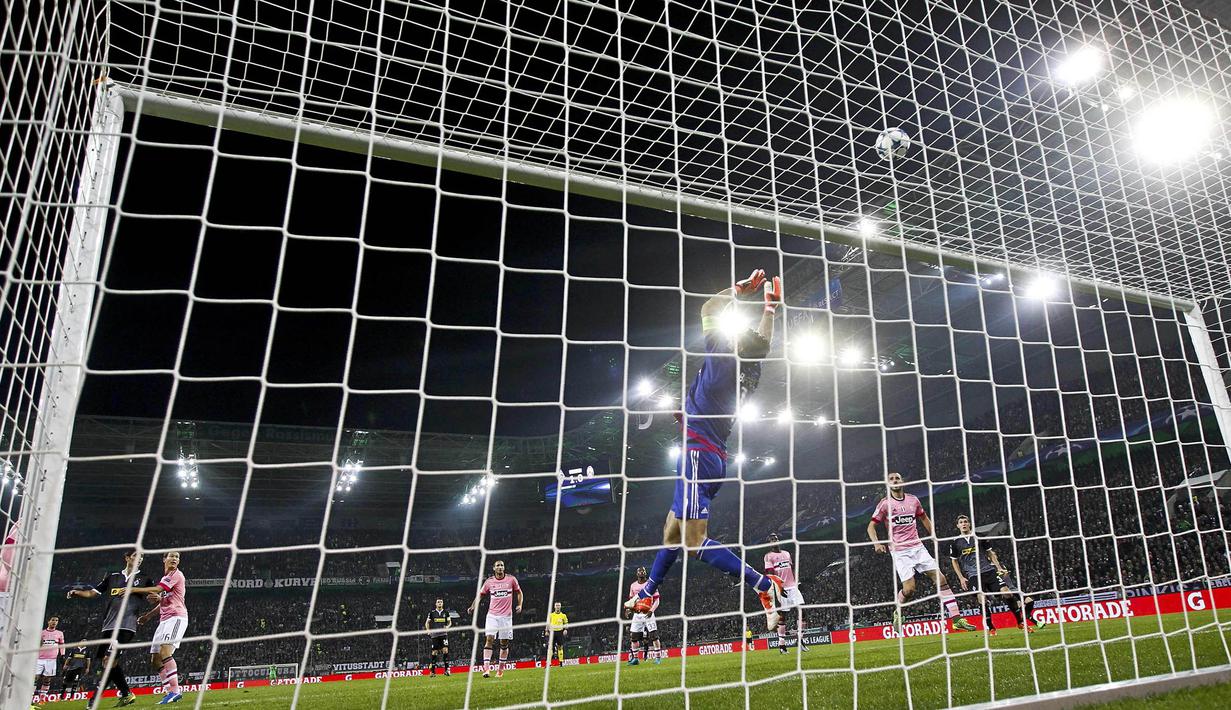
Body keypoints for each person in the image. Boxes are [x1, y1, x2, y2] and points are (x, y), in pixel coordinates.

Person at [626, 270, 787, 627]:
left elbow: (709, 307)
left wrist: (741, 289)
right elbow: (762, 343)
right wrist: (769, 309)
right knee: (672, 529)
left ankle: (763, 585)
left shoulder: (722, 361)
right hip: (710, 455)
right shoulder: (750, 371)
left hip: (698, 456)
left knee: (693, 541)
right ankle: (649, 590)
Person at [868, 472, 976, 634]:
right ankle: (898, 611)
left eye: (897, 478)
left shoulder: (913, 500)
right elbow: (871, 526)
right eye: (891, 479)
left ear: (902, 481)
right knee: (910, 589)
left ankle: (956, 619)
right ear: (888, 484)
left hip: (917, 547)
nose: (895, 480)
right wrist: (876, 543)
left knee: (941, 579)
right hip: (899, 551)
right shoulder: (885, 504)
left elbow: (924, 518)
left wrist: (933, 535)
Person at [66, 548, 154, 707]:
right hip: (108, 625)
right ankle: (126, 694)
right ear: (127, 558)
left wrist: (154, 598)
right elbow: (92, 593)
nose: (140, 559)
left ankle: (94, 699)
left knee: (109, 660)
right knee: (107, 663)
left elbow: (154, 594)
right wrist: (76, 592)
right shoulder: (113, 577)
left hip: (126, 626)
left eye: (142, 557)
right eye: (136, 555)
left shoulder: (145, 578)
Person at [947, 515, 1045, 634]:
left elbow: (990, 553)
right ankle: (991, 628)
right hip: (973, 575)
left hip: (989, 570)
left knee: (1007, 593)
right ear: (957, 525)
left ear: (969, 524)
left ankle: (1020, 622)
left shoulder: (979, 536)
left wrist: (998, 567)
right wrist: (961, 577)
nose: (963, 524)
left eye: (965, 522)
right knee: (982, 598)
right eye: (961, 522)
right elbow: (954, 561)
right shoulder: (955, 542)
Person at [129, 551, 188, 704]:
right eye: (172, 556)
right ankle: (169, 692)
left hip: (176, 617)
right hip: (164, 620)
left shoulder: (176, 575)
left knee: (165, 651)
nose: (174, 559)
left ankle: (175, 691)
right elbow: (164, 600)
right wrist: (148, 616)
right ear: (164, 559)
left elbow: (157, 589)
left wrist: (134, 589)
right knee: (155, 660)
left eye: (177, 557)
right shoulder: (166, 578)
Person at [467, 560, 522, 679]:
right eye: (498, 565)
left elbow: (519, 592)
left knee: (504, 643)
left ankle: (500, 670)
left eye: (502, 565)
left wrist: (520, 604)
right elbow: (480, 595)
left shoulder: (511, 579)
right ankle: (486, 669)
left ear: (504, 567)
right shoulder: (489, 582)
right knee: (489, 639)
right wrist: (472, 606)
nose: (500, 567)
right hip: (492, 616)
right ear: (494, 568)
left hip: (506, 617)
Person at [764, 533, 809, 653]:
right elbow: (770, 575)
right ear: (769, 543)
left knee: (803, 612)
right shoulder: (768, 556)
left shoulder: (787, 553)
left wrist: (797, 581)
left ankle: (800, 640)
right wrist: (779, 588)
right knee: (783, 616)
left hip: (793, 587)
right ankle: (782, 645)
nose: (774, 540)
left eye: (775, 538)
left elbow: (791, 569)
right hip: (781, 588)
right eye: (771, 539)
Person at [625, 567, 662, 666]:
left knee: (654, 636)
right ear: (637, 574)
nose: (641, 572)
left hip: (648, 613)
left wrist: (651, 611)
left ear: (646, 573)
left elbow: (657, 600)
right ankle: (635, 659)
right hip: (637, 614)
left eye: (643, 571)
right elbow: (632, 601)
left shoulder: (651, 584)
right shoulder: (633, 586)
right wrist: (629, 609)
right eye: (639, 571)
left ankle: (658, 658)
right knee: (633, 637)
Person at [34, 615, 64, 700]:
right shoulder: (42, 632)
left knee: (47, 679)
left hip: (52, 660)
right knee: (35, 678)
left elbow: (62, 645)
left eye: (56, 620)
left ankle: (42, 699)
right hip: (40, 659)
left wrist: (62, 655)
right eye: (53, 620)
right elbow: (37, 644)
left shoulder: (60, 633)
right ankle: (30, 697)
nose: (55, 622)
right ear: (48, 621)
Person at [423, 598, 452, 676]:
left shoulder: (446, 613)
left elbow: (450, 622)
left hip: (443, 634)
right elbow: (427, 623)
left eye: (441, 602)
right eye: (438, 602)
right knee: (434, 652)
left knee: (445, 650)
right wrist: (428, 630)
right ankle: (432, 672)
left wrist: (447, 626)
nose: (440, 603)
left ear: (443, 603)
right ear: (436, 604)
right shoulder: (432, 613)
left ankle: (447, 670)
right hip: (435, 635)